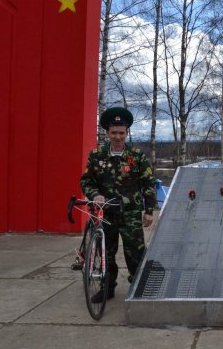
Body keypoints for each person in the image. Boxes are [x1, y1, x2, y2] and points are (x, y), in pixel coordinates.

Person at [80, 107, 156, 303]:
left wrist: (148, 211)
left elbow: (148, 183)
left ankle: (139, 286)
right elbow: (86, 181)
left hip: (130, 213)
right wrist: (95, 194)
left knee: (135, 251)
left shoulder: (136, 156)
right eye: (114, 133)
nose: (118, 137)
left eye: (121, 133)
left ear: (127, 132)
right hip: (106, 214)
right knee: (106, 252)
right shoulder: (96, 156)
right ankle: (107, 288)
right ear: (107, 133)